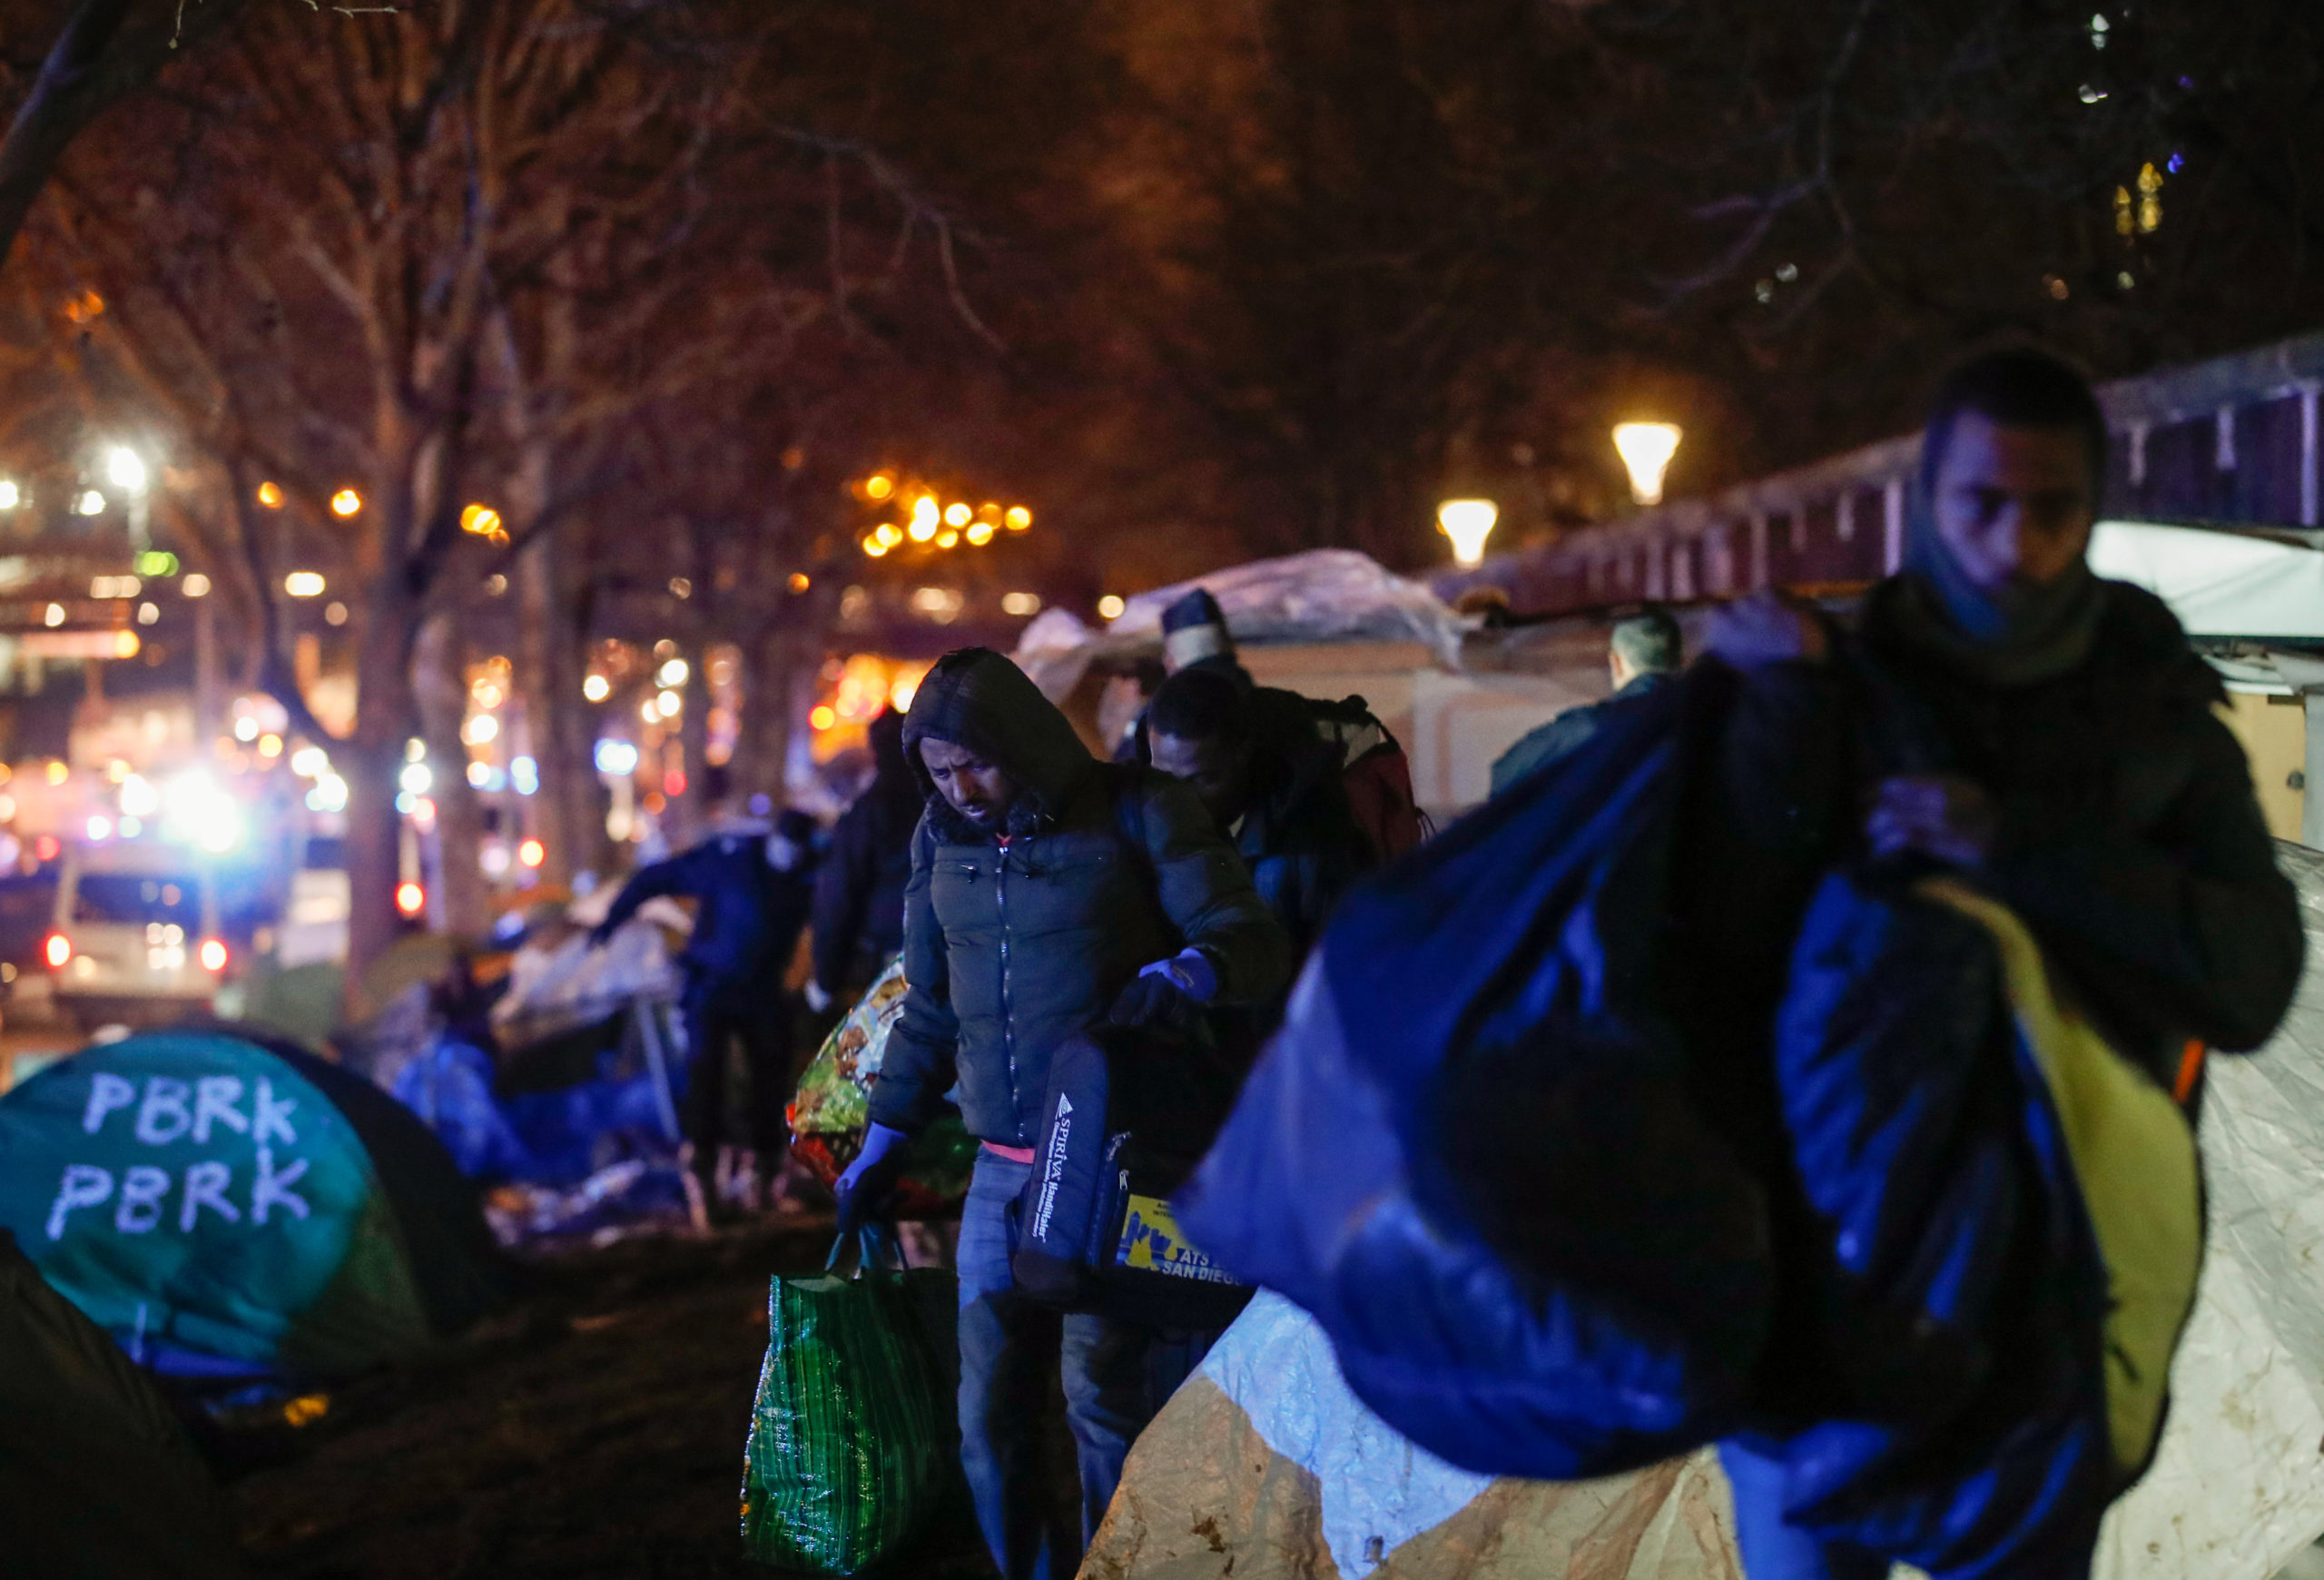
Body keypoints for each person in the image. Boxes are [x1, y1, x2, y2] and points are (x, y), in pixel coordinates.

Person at [1702, 346, 2304, 1577]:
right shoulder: (1816, 695)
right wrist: (1772, 727)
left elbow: (2249, 983)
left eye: (2052, 508)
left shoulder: (2155, 720)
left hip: (2045, 1317)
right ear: (1925, 503)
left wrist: (2019, 848)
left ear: (2091, 512)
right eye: (1982, 504)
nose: (2013, 545)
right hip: (1812, 1303)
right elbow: (1693, 971)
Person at [834, 647, 1287, 1580]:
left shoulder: (1138, 810)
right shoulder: (939, 839)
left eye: (977, 764)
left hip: (1106, 1170)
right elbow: (928, 1003)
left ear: (1027, 742)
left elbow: (1249, 936)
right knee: (986, 1414)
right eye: (941, 770)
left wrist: (1189, 972)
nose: (960, 788)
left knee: (1101, 1404)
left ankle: (1113, 1568)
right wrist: (882, 1139)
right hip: (997, 1169)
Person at [592, 775, 817, 1222]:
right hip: (710, 987)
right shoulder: (731, 863)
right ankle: (705, 1183)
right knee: (705, 1081)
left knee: (771, 1080)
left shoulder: (809, 876)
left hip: (763, 989)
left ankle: (762, 1178)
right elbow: (658, 877)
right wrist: (612, 919)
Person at [1146, 664, 1375, 1026]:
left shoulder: (1307, 846)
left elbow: (1335, 974)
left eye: (1203, 779)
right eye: (1165, 780)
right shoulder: (1148, 810)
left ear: (1242, 754)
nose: (1182, 800)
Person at [1489, 605, 1682, 795]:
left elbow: (1503, 775)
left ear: (1616, 663)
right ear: (1679, 662)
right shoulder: (1703, 725)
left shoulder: (1585, 729)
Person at [806, 708, 917, 1013]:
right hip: (953, 959)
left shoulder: (871, 811)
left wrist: (826, 979)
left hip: (895, 965)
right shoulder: (947, 797)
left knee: (890, 1049)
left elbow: (839, 897)